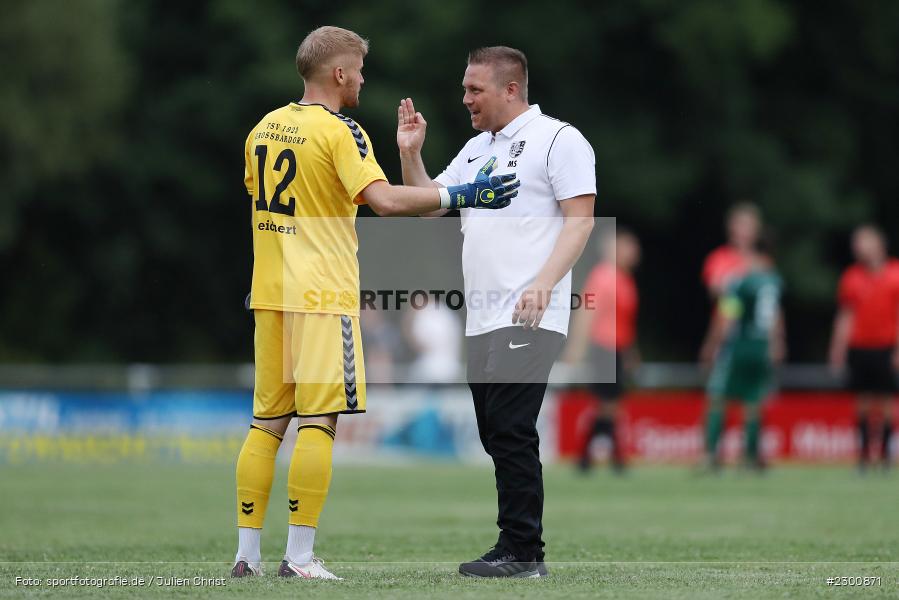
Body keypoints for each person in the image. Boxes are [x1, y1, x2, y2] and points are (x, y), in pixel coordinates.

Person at [232, 27, 519, 580]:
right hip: (322, 295)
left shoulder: (263, 127)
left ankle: (247, 556)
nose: (363, 79)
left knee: (266, 424)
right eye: (359, 70)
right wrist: (464, 193)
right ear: (339, 73)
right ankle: (299, 558)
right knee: (318, 422)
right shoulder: (343, 131)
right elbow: (385, 202)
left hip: (269, 294)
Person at [396, 46, 596, 578]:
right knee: (493, 430)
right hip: (483, 317)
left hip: (530, 311)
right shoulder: (476, 147)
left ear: (511, 89)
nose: (465, 99)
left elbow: (580, 222)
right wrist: (411, 154)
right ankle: (517, 546)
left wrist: (543, 284)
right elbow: (426, 204)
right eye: (465, 89)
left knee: (510, 427)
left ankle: (524, 552)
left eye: (474, 89)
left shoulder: (560, 139)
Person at [701, 241, 785, 471]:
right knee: (753, 403)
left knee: (718, 397)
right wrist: (778, 344)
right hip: (762, 347)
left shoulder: (741, 282)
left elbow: (728, 315)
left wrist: (712, 344)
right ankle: (750, 457)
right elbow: (776, 317)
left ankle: (710, 456)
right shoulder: (773, 282)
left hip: (740, 347)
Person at [565, 228, 641, 473]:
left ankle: (593, 458)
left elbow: (625, 320)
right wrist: (577, 348)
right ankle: (608, 458)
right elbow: (588, 314)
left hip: (617, 347)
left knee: (610, 404)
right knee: (607, 404)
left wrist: (629, 351)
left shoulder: (623, 278)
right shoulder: (603, 277)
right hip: (604, 347)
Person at [828, 225, 899, 471]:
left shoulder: (895, 274)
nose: (858, 247)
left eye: (863, 241)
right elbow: (845, 315)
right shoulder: (851, 277)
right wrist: (837, 348)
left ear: (878, 244)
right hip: (860, 347)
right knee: (862, 402)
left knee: (887, 402)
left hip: (886, 346)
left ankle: (885, 456)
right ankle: (863, 457)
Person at [699, 203, 763, 366]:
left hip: (758, 337)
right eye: (739, 225)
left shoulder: (764, 264)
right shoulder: (719, 259)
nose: (742, 231)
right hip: (727, 336)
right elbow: (717, 295)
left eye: (747, 226)